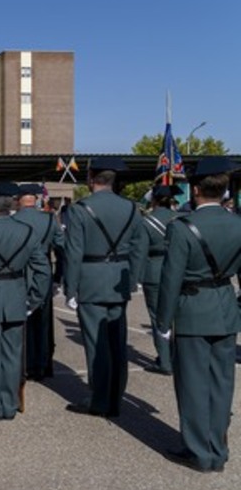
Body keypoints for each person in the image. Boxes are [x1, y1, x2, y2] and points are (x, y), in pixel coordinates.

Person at [156, 157, 241, 472]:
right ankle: (217, 448)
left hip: (192, 310)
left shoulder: (182, 227)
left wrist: (163, 322)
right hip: (225, 308)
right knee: (222, 385)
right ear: (225, 189)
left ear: (193, 189)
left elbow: (171, 279)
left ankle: (199, 452)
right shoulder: (238, 223)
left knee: (193, 385)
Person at [63, 156, 148, 418]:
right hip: (118, 279)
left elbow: (74, 252)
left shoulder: (80, 209)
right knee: (117, 342)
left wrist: (70, 288)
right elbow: (140, 246)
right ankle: (115, 397)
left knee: (96, 343)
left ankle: (100, 400)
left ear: (91, 179)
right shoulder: (132, 208)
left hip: (91, 280)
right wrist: (132, 279)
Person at [0, 182, 49, 420]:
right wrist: (34, 299)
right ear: (13, 204)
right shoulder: (26, 231)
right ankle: (10, 401)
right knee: (13, 353)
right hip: (16, 295)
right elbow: (43, 270)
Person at [14, 183, 64, 380]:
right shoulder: (49, 220)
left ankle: (25, 362)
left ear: (19, 199)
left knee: (21, 320)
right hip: (43, 268)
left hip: (19, 270)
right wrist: (58, 277)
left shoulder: (14, 219)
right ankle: (42, 364)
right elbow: (62, 248)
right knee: (43, 321)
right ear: (35, 199)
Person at [140, 184, 181, 375]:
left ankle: (165, 361)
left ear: (154, 200)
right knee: (177, 318)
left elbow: (140, 251)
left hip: (154, 271)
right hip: (179, 270)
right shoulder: (181, 219)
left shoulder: (147, 222)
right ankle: (177, 357)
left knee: (158, 317)